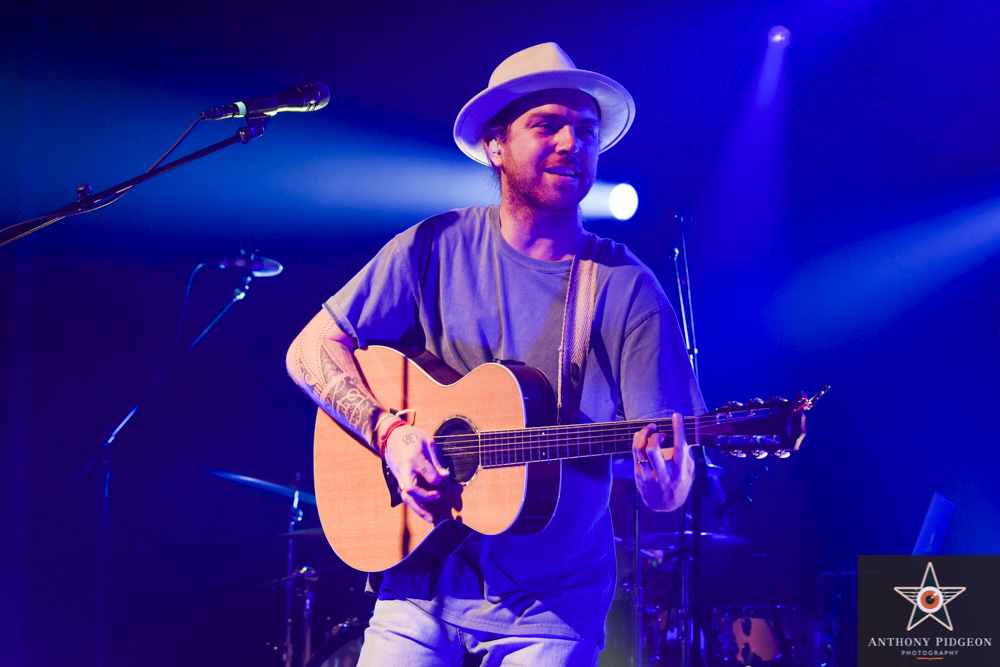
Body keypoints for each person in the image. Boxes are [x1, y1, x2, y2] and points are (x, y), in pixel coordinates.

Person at [286, 42, 704, 667]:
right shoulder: (431, 247)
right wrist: (389, 435)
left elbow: (672, 465)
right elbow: (309, 349)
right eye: (547, 125)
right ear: (495, 145)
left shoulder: (625, 286)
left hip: (553, 606)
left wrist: (667, 487)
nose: (571, 143)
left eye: (585, 130)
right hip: (419, 585)